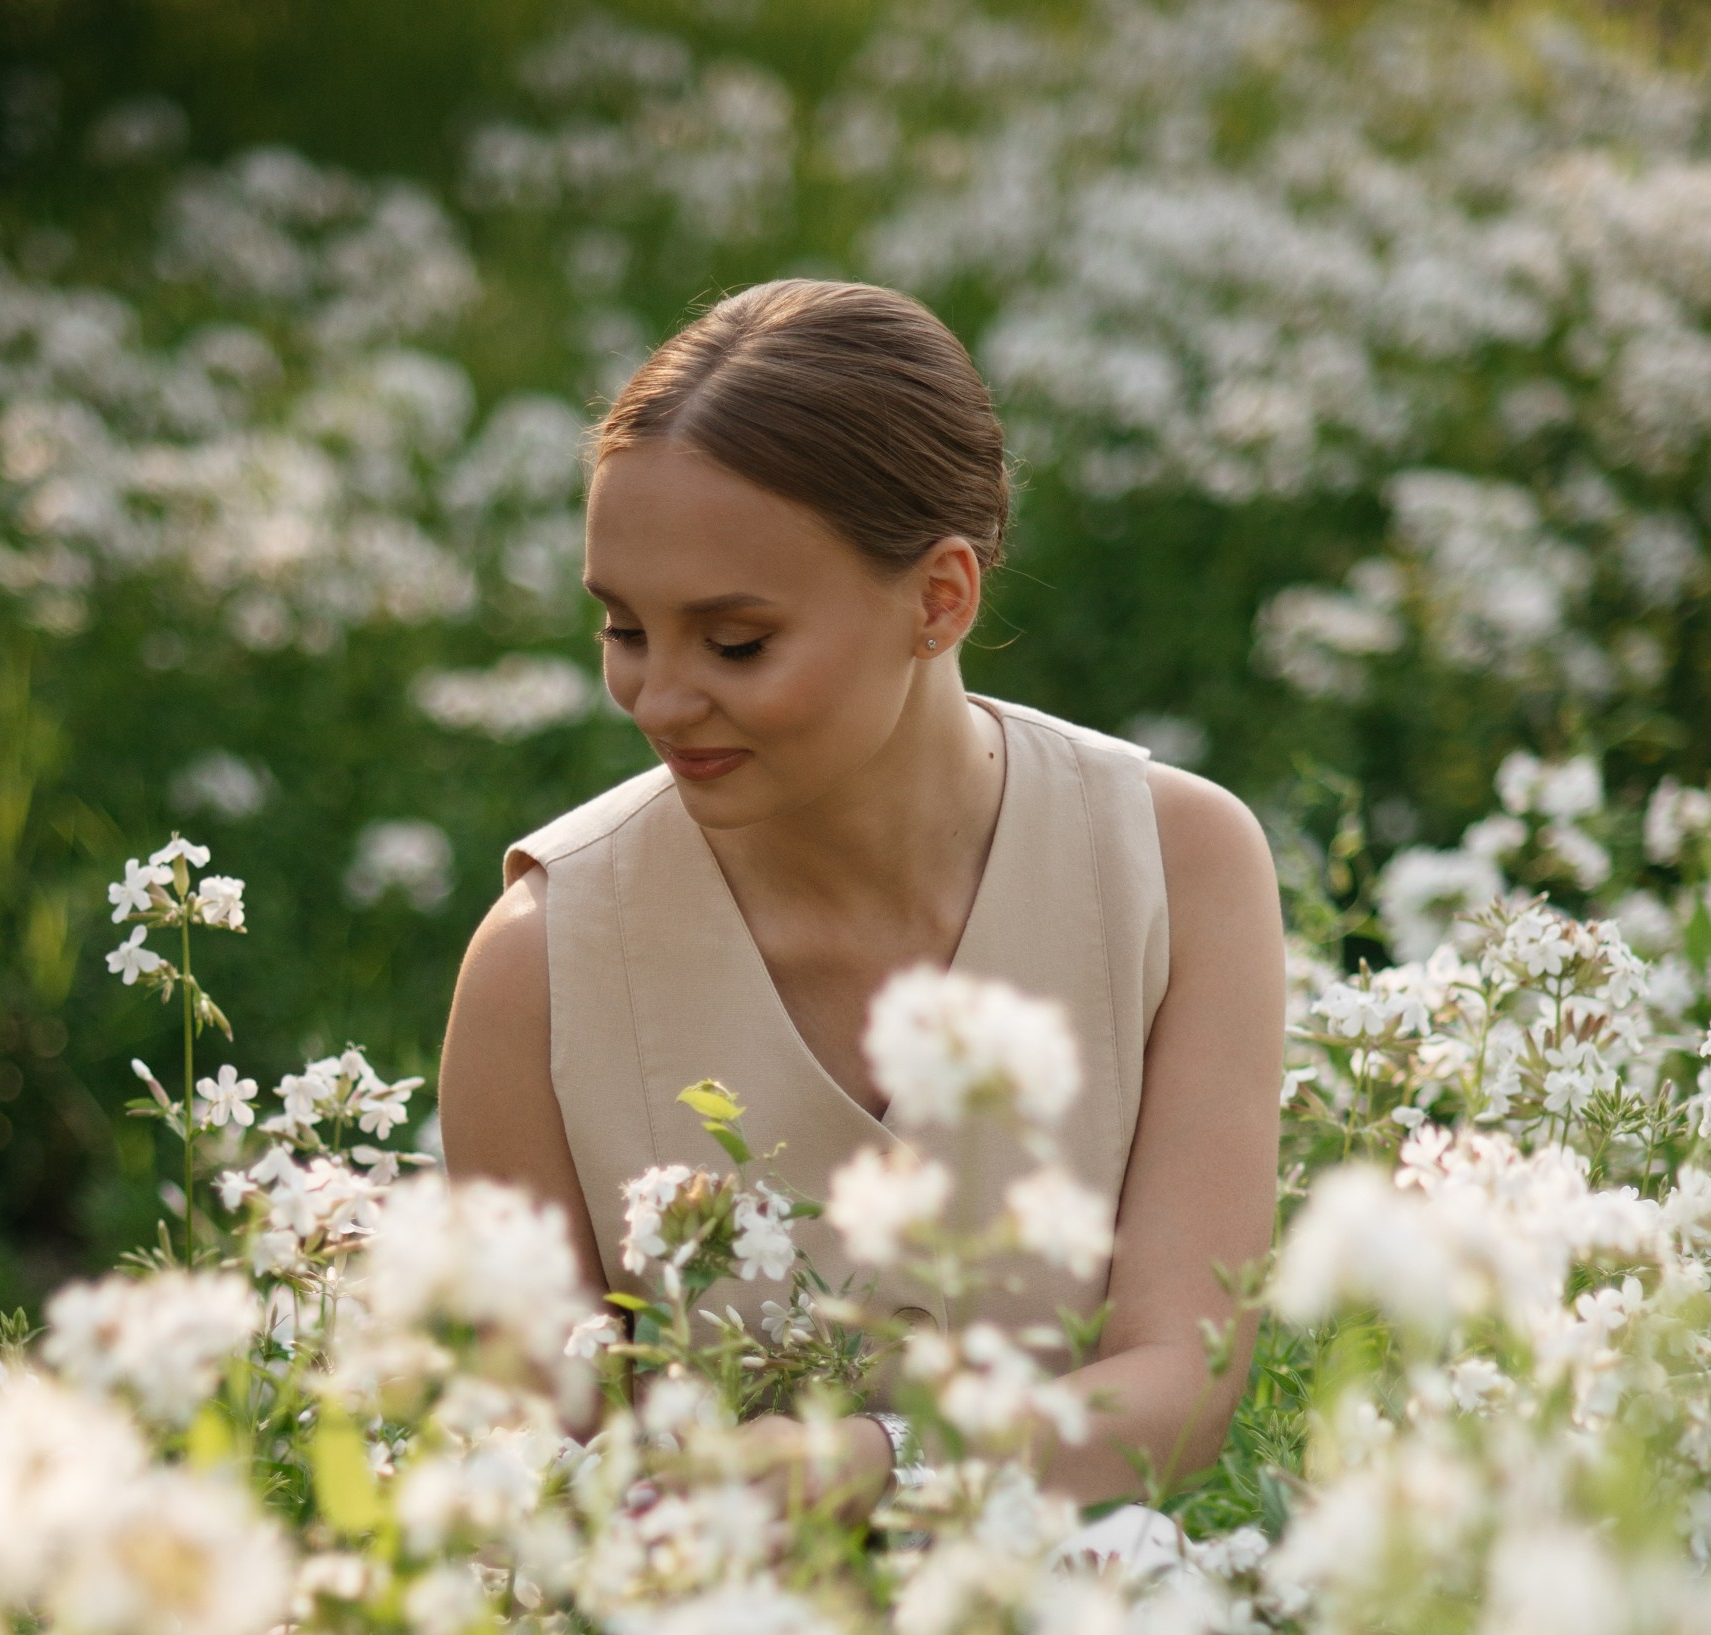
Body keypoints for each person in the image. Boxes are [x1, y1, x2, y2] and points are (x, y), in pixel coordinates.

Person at [439, 278, 1285, 1507]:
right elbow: (537, 1462)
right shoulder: (540, 964)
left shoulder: (1179, 867)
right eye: (624, 629)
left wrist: (882, 1470)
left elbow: (1181, 1379)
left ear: (938, 599)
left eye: (735, 643)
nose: (658, 700)